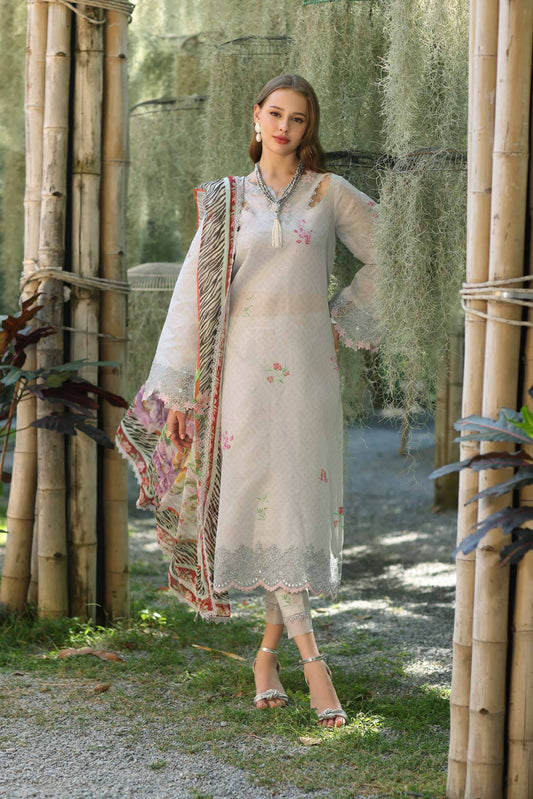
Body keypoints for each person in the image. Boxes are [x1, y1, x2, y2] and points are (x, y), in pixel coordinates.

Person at [117, 74, 379, 728]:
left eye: (298, 118)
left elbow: (393, 252)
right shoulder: (226, 200)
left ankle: (266, 658)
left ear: (308, 127)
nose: (285, 127)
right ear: (256, 117)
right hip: (239, 377)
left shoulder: (328, 194)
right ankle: (313, 666)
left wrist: (343, 316)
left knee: (289, 511)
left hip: (308, 377)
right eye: (276, 114)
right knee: (263, 505)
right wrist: (179, 393)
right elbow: (192, 298)